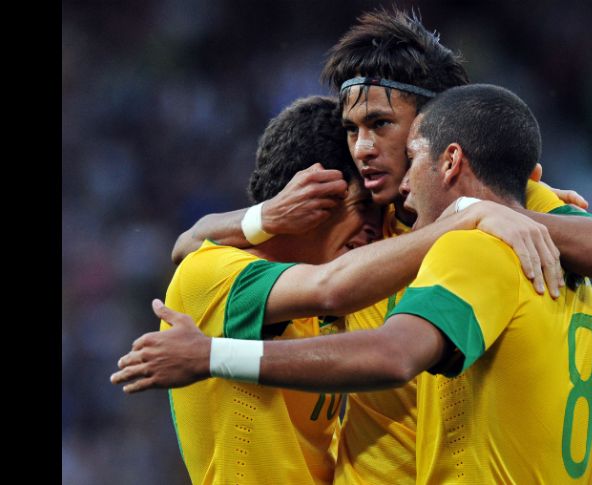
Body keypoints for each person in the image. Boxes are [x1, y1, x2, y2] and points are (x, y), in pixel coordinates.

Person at [168, 9, 592, 484]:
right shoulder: (367, 226)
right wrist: (262, 216)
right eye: (353, 130)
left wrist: (489, 208)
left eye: (380, 124)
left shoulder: (495, 204)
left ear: (435, 128)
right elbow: (192, 249)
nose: (363, 148)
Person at [129, 93, 555, 485]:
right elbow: (332, 289)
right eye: (362, 208)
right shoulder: (217, 274)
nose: (376, 229)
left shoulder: (324, 284)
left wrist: (531, 206)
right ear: (308, 198)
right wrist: (469, 218)